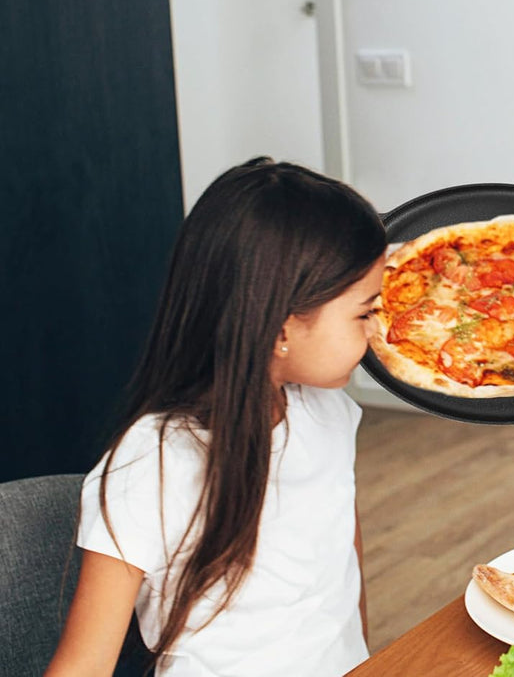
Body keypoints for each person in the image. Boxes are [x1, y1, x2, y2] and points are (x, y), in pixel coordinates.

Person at [45, 158, 387, 677]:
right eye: (365, 313)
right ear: (281, 329)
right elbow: (82, 667)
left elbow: (340, 573)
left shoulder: (328, 411)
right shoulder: (152, 466)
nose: (380, 330)